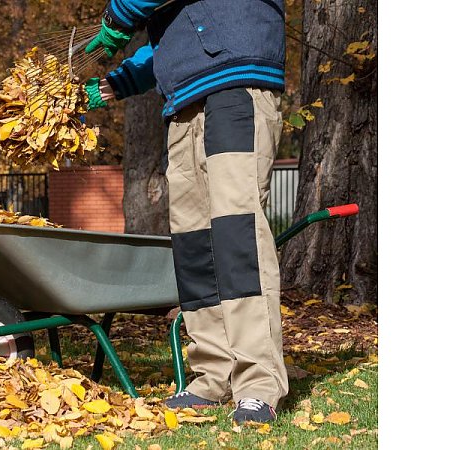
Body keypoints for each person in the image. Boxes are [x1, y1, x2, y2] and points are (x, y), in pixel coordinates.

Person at [83, 0, 289, 425]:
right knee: (194, 243)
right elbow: (176, 34)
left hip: (235, 81)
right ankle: (212, 375)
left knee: (237, 233)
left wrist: (118, 15)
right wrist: (115, 84)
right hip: (184, 102)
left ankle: (257, 383)